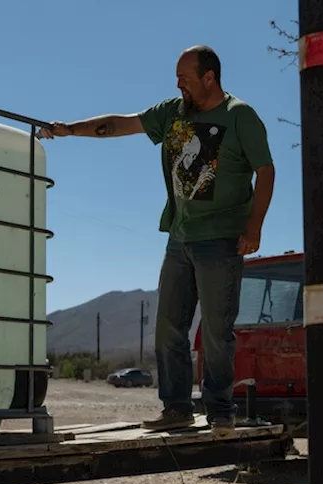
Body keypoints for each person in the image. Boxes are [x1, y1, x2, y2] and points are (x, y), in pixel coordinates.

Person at [39, 44, 275, 435]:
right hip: (180, 238)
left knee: (217, 330)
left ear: (209, 77)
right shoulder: (172, 112)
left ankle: (220, 410)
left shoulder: (239, 116)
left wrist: (254, 228)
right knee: (168, 328)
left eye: (185, 77)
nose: (178, 84)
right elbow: (122, 124)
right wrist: (70, 130)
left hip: (222, 239)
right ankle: (177, 408)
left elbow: (265, 170)